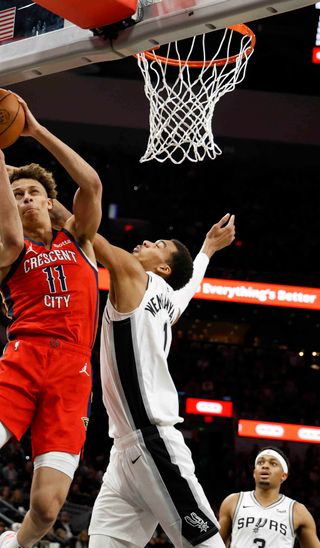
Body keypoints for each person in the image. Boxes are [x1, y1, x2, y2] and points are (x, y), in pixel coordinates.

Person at [0, 95, 102, 548]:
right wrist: (0, 168)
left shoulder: (80, 240)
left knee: (47, 509)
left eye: (33, 192)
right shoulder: (6, 250)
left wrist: (35, 131)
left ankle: (12, 546)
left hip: (72, 373)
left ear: (51, 202)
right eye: (17, 195)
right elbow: (11, 232)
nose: (25, 198)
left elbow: (91, 184)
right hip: (23, 359)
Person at [78, 210, 236, 548]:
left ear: (163, 268)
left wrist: (38, 198)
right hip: (123, 453)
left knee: (205, 544)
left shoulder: (136, 277)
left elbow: (88, 234)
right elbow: (190, 287)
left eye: (158, 244)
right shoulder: (167, 302)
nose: (147, 241)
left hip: (152, 441)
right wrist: (206, 250)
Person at [219, 447, 320, 547]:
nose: (265, 466)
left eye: (273, 463)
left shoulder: (297, 511)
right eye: (260, 462)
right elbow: (215, 544)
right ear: (254, 473)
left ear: (284, 475)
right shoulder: (233, 501)